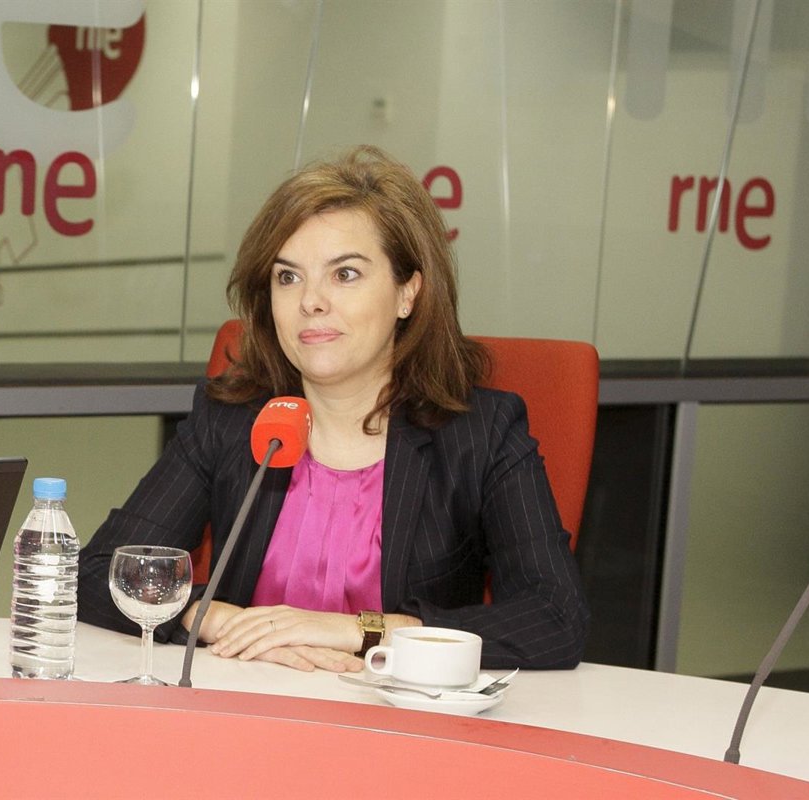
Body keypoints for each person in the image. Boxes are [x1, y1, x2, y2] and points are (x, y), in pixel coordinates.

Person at [77, 145, 588, 673]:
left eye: (344, 274)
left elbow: (554, 618)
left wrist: (358, 631)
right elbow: (99, 573)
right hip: (250, 700)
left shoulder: (480, 434)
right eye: (288, 277)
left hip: (399, 714)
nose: (310, 301)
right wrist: (223, 621)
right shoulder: (232, 419)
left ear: (408, 293)